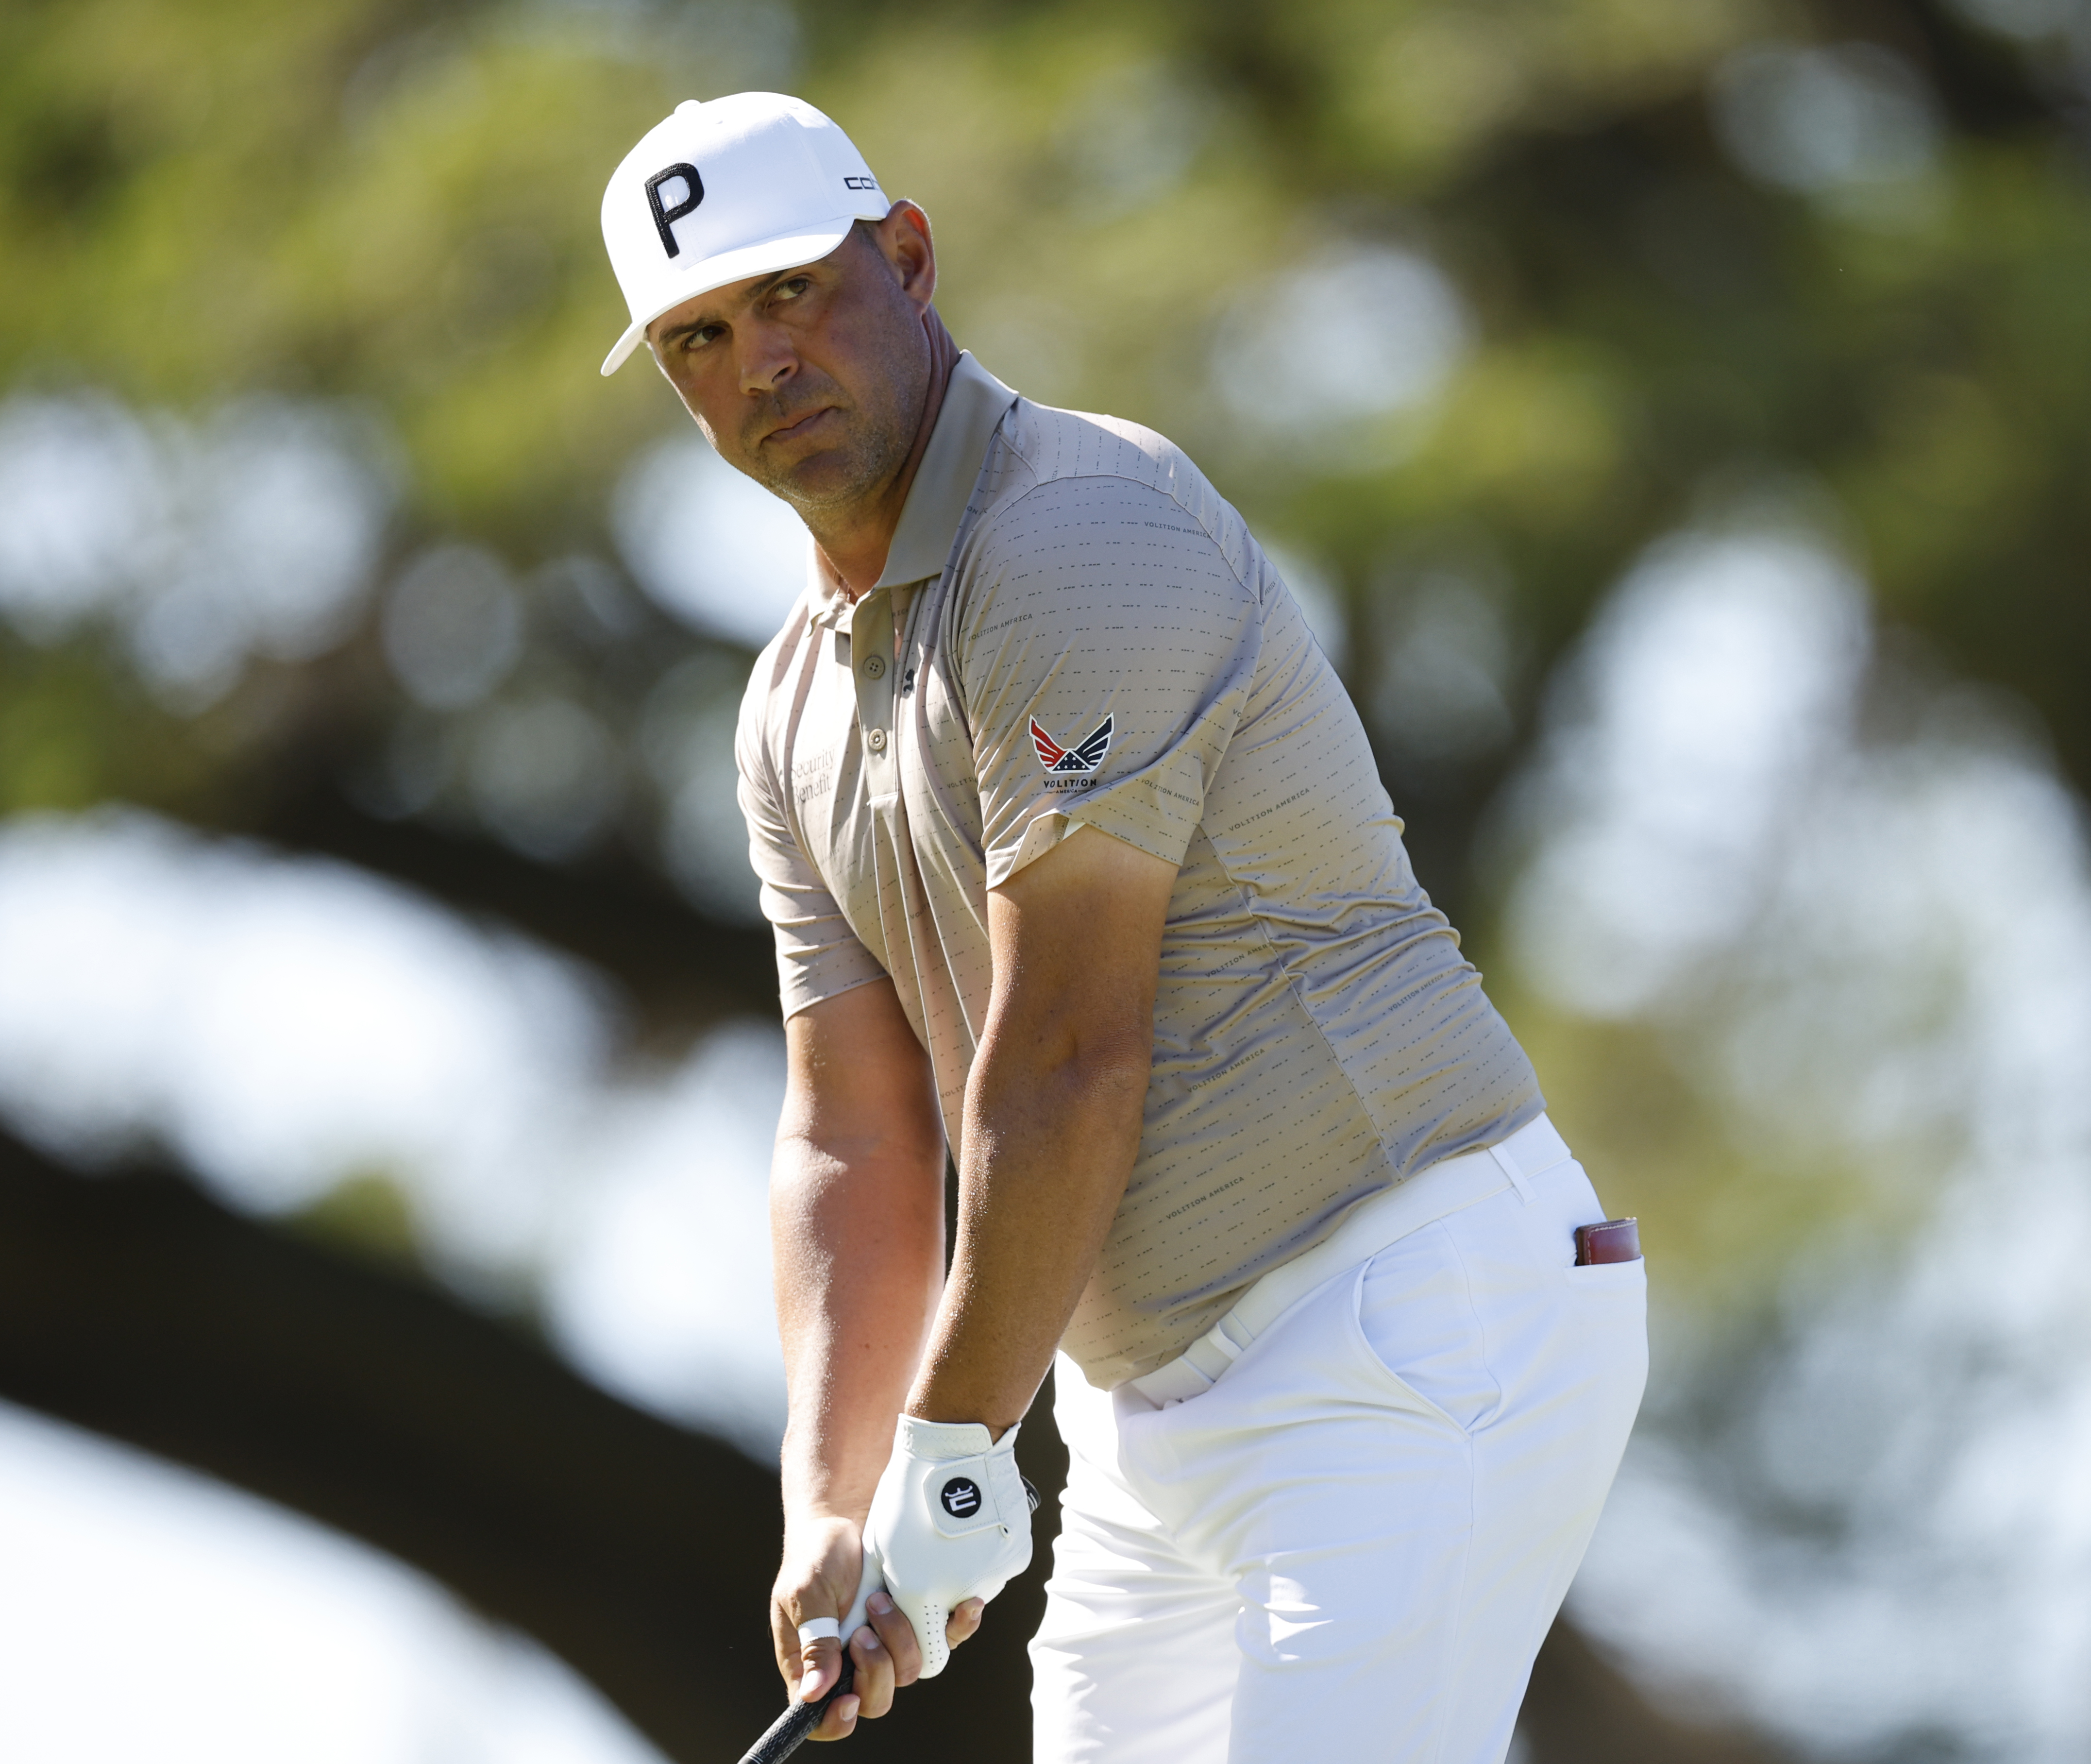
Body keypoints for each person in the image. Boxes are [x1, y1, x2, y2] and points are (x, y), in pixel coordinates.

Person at [594, 91, 1648, 1764]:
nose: (760, 366)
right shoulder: (788, 704)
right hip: (1149, 1420)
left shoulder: (1076, 531)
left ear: (910, 259)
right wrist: (838, 1500)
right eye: (701, 336)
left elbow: (1071, 1056)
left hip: (1408, 1317)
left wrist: (950, 1454)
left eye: (793, 292)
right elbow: (854, 1130)